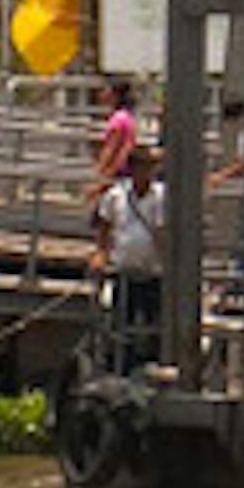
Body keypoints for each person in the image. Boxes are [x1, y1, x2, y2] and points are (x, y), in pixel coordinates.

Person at [90, 143, 165, 367]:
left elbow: (165, 231)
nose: (148, 173)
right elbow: (104, 225)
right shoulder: (116, 195)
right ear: (133, 169)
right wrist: (101, 253)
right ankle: (122, 365)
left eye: (151, 167)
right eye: (143, 167)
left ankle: (153, 363)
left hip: (153, 271)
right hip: (124, 269)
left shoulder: (162, 196)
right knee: (122, 320)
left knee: (154, 322)